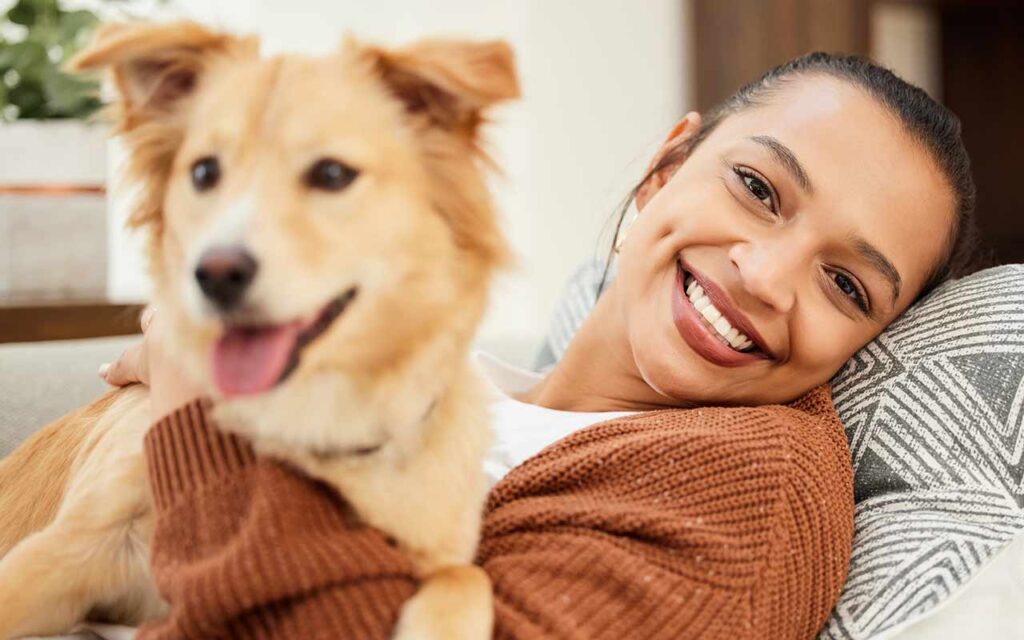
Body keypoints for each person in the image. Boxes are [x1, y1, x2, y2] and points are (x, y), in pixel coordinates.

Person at [102, 53, 978, 639]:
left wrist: (196, 406)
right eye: (757, 187)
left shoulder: (749, 492)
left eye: (847, 286)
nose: (766, 275)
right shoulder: (441, 379)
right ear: (666, 166)